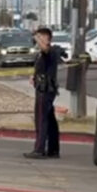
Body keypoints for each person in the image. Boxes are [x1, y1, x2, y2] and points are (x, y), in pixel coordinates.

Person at [25, 27, 64, 160]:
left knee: (41, 119)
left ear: (48, 38)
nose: (39, 39)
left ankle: (39, 149)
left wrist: (37, 37)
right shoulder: (41, 53)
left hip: (45, 90)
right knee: (50, 119)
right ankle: (53, 149)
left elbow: (45, 48)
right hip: (42, 87)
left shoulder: (50, 51)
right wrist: (34, 77)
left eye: (42, 37)